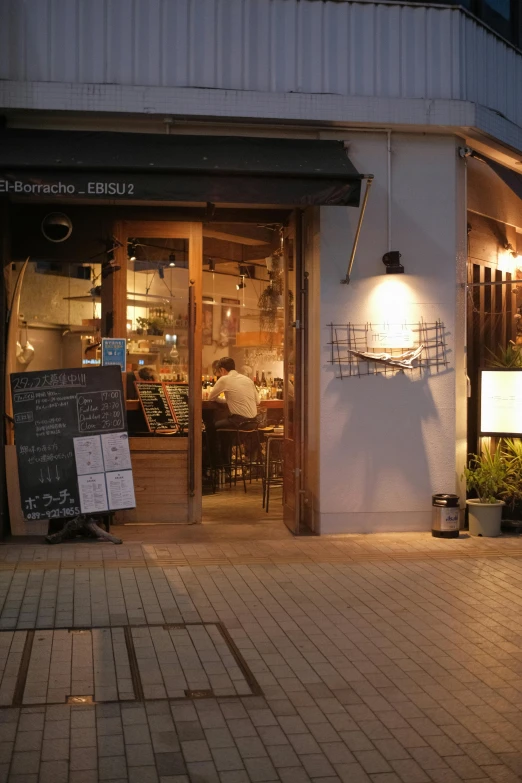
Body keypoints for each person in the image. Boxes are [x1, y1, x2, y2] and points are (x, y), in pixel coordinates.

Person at [209, 357, 260, 430]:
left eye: (219, 373)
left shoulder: (224, 379)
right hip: (254, 423)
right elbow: (258, 402)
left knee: (213, 426)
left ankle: (226, 442)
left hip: (239, 423)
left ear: (222, 370)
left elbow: (211, 398)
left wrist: (223, 401)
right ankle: (237, 441)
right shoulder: (247, 379)